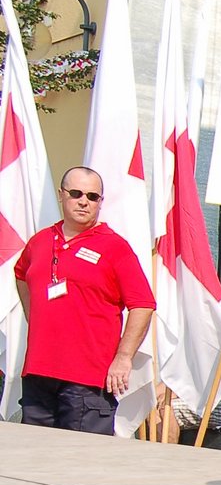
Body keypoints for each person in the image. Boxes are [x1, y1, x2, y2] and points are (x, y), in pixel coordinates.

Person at [13, 167, 154, 435]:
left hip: (88, 381)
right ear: (61, 195)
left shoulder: (115, 247)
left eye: (92, 196)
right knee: (33, 461)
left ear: (100, 202)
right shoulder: (40, 241)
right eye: (76, 193)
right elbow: (21, 274)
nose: (83, 201)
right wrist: (35, 318)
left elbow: (143, 304)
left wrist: (124, 358)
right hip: (39, 374)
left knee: (79, 464)